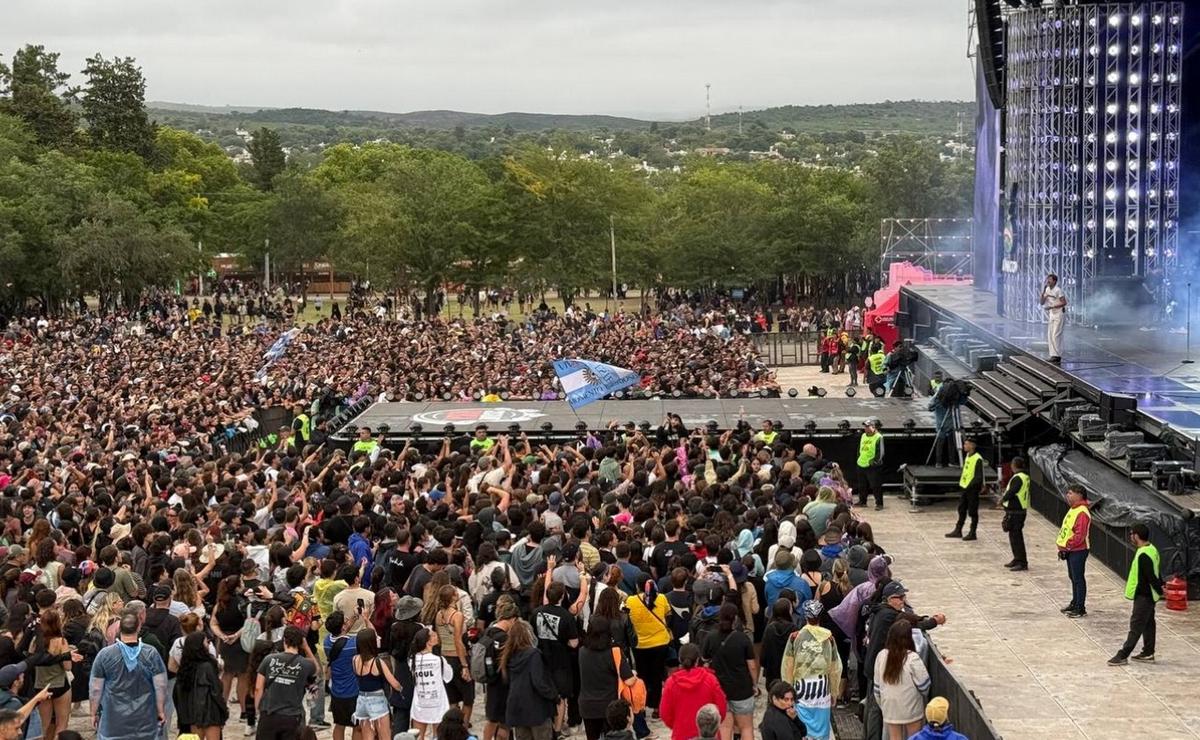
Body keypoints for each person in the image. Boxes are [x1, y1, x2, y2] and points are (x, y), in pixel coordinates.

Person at [90, 612, 169, 740]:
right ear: (138, 628)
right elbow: (161, 686)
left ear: (119, 629)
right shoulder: (151, 653)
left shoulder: (105, 654)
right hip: (144, 719)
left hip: (113, 719)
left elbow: (96, 688)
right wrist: (160, 711)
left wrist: (93, 712)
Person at [780, 600, 840, 740]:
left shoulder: (795, 637)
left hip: (801, 689)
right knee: (821, 730)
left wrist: (787, 692)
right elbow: (835, 668)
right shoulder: (829, 638)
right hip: (821, 690)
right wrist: (834, 691)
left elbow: (787, 666)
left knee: (802, 730)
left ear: (805, 616)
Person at [701, 603, 757, 740]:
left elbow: (705, 661)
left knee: (725, 727)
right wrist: (754, 684)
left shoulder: (711, 637)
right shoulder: (742, 638)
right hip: (742, 689)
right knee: (746, 727)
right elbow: (752, 666)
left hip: (720, 689)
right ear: (735, 618)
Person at [1108, 523, 1162, 665]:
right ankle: (1148, 652)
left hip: (1144, 596)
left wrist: (1161, 591)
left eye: (1131, 534)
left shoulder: (1143, 554)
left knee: (1136, 626)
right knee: (1148, 624)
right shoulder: (1152, 549)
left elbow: (1151, 576)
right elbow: (1157, 571)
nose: (1130, 537)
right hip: (1149, 596)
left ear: (1136, 536)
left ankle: (1122, 655)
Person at [577, 616, 635, 740]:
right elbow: (629, 680)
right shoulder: (614, 652)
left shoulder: (582, 651)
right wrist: (634, 674)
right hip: (610, 707)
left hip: (587, 706)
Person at [254, 626, 317, 740]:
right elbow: (317, 670)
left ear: (284, 640)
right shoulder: (306, 664)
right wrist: (307, 648)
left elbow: (258, 688)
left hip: (269, 713)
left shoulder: (269, 659)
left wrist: (258, 710)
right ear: (301, 643)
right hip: (292, 716)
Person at [500, 618, 558, 740]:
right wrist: (553, 695)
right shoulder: (533, 654)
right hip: (536, 708)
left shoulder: (508, 656)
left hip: (517, 708)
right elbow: (539, 682)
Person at [873, 620, 931, 740]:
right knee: (914, 737)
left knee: (895, 738)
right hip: (911, 708)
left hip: (889, 707)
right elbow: (924, 686)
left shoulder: (881, 655)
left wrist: (883, 705)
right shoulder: (912, 658)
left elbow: (877, 688)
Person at [659, 644, 726, 740]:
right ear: (697, 660)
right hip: (708, 734)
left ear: (680, 659)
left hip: (681, 734)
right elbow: (722, 708)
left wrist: (677, 725)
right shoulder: (710, 679)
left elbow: (665, 713)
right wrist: (712, 727)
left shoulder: (671, 683)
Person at [625, 575, 670, 715]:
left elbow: (626, 616)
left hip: (640, 644)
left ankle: (642, 706)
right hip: (660, 642)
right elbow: (667, 614)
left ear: (637, 586)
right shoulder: (661, 598)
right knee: (657, 675)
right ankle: (657, 707)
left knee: (642, 676)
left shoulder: (631, 601)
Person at [173, 632, 229, 740]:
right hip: (210, 713)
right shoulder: (207, 666)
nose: (208, 644)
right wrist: (223, 711)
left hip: (193, 715)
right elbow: (216, 692)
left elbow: (177, 695)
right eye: (206, 642)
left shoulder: (185, 669)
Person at [352, 627, 404, 740]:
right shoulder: (377, 662)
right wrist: (401, 689)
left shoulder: (355, 659)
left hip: (361, 701)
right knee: (384, 736)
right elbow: (394, 684)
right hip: (377, 701)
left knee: (367, 736)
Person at [408, 627, 453, 740]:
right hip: (438, 703)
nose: (436, 635)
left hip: (420, 703)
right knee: (439, 736)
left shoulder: (412, 660)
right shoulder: (439, 660)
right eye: (433, 635)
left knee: (418, 736)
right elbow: (448, 677)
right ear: (428, 642)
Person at [1057, 484, 1092, 618]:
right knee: (1073, 577)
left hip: (1078, 550)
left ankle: (1080, 607)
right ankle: (1075, 602)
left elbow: (1080, 535)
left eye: (1070, 493)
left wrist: (1067, 546)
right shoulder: (1074, 509)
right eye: (1068, 493)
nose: (1067, 495)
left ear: (1079, 495)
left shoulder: (1082, 512)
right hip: (1071, 550)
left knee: (1078, 579)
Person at [944, 438, 984, 542]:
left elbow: (979, 477)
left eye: (966, 444)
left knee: (972, 511)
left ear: (972, 446)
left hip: (972, 489)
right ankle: (958, 530)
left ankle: (973, 532)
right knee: (961, 509)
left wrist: (971, 486)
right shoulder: (967, 456)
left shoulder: (978, 458)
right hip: (964, 487)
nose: (964, 446)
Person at [998, 456, 1030, 571]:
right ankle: (1017, 559)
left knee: (1016, 537)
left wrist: (1002, 499)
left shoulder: (1018, 478)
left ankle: (1022, 562)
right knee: (1013, 536)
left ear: (1014, 465)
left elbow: (1012, 491)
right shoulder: (1024, 476)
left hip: (1016, 511)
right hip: (1018, 510)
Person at [856, 419, 885, 511]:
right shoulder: (863, 435)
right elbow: (860, 448)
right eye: (865, 426)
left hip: (872, 466)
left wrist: (874, 462)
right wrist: (859, 458)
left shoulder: (878, 437)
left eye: (868, 426)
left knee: (875, 485)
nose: (865, 428)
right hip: (861, 463)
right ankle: (862, 501)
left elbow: (881, 453)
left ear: (873, 427)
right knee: (862, 485)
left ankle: (879, 504)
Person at [1040, 273, 1067, 363]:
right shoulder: (1047, 289)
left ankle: (1057, 355)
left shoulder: (1058, 290)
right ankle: (1053, 355)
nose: (1048, 281)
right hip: (1052, 313)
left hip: (1059, 313)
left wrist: (1052, 306)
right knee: (1050, 334)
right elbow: (1042, 302)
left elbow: (1064, 302)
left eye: (1050, 279)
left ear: (1054, 281)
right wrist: (1042, 293)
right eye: (1047, 279)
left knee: (1056, 334)